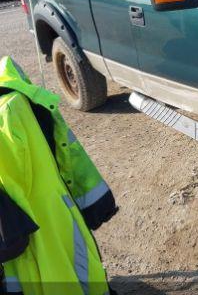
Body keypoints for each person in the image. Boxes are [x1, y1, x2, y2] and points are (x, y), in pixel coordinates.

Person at [0, 56, 117, 294]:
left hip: (35, 228)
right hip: (47, 219)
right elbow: (68, 155)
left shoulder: (10, 110)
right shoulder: (16, 101)